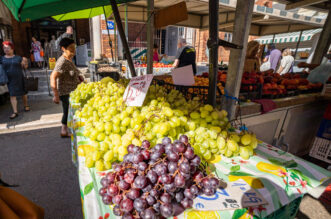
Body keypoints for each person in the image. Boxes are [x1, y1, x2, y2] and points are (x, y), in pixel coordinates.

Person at [50, 38, 83, 137]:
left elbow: (71, 73)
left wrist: (79, 76)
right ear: (63, 48)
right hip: (66, 92)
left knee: (69, 111)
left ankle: (65, 130)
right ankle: (64, 131)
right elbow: (53, 76)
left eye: (74, 48)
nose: (73, 50)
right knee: (67, 111)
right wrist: (56, 95)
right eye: (71, 48)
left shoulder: (69, 59)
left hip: (72, 91)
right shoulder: (62, 61)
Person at [1, 41, 29, 119]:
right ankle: (15, 112)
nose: (6, 49)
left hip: (19, 77)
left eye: (8, 48)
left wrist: (25, 62)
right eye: (4, 48)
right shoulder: (1, 59)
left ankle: (26, 105)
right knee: (12, 95)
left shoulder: (18, 58)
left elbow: (25, 67)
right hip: (9, 79)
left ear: (12, 48)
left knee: (23, 93)